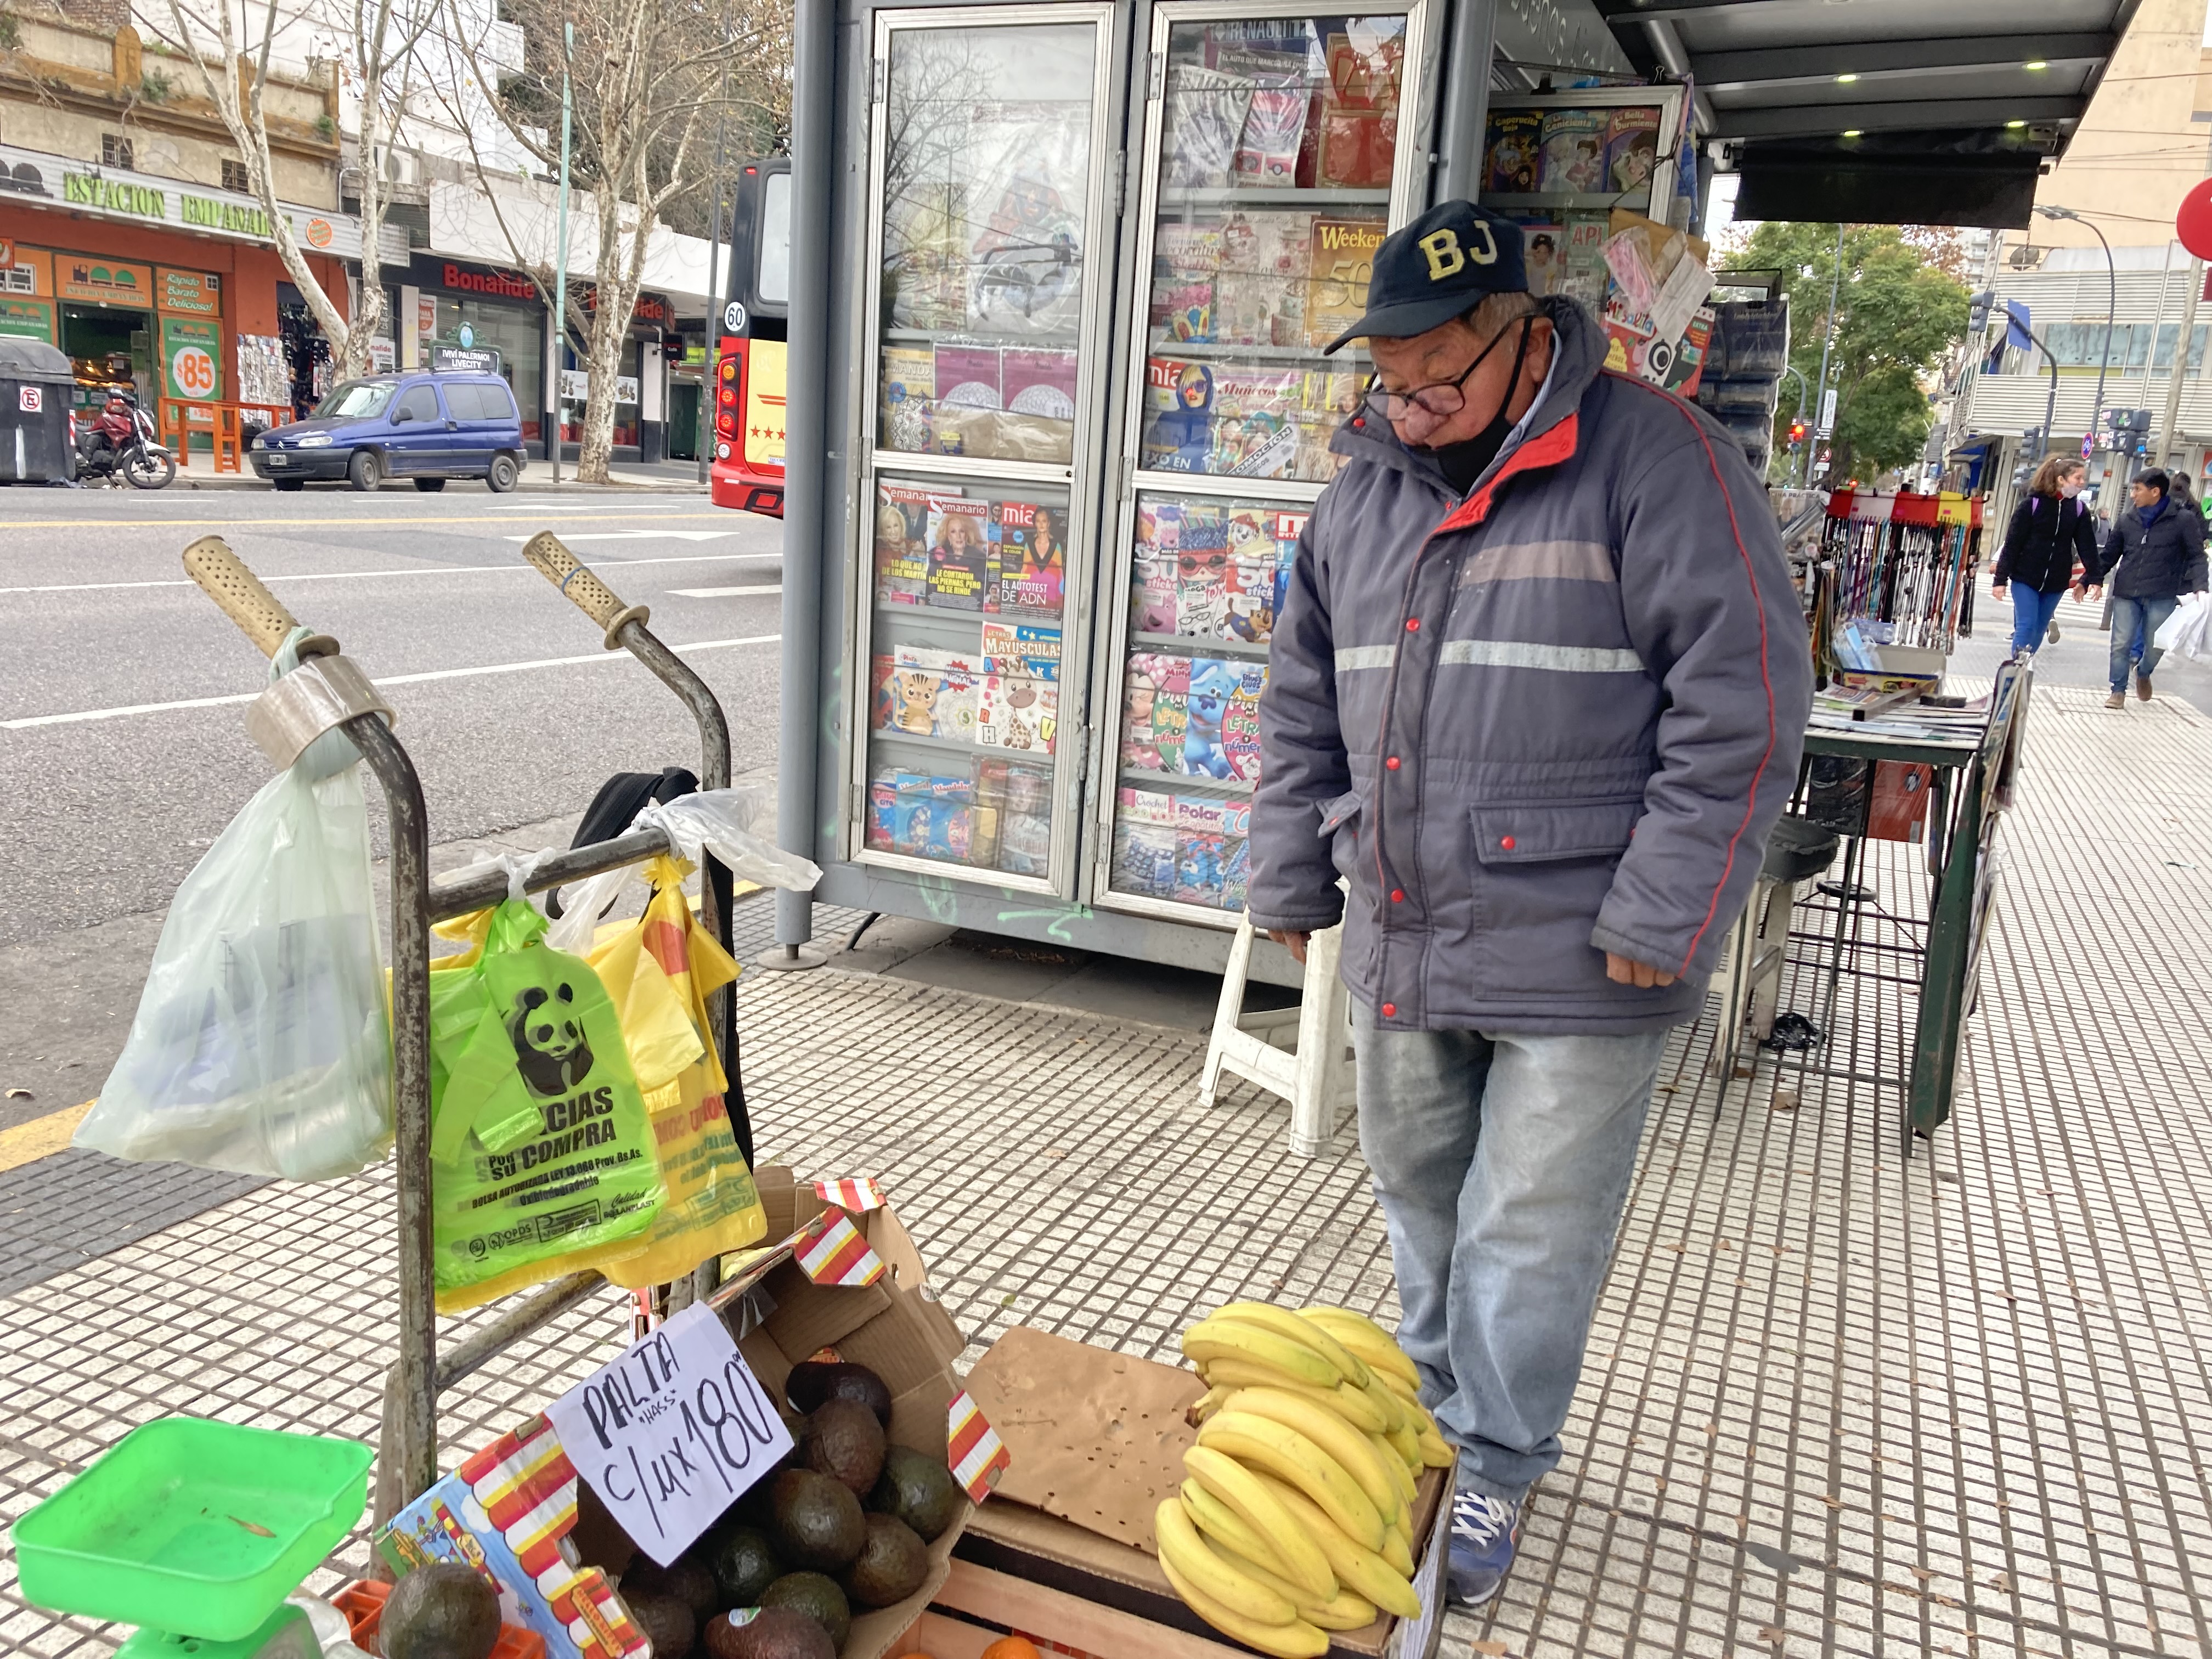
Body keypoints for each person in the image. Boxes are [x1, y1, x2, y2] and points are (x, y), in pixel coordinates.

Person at [1248, 201, 1812, 1609]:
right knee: (1419, 1197)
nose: (1414, 404)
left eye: (1440, 375)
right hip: (1403, 921)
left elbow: (1743, 707)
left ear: (1520, 334)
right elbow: (1300, 702)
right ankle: (1432, 1417)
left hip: (1587, 948)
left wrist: (1662, 917)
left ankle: (1492, 1462)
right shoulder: (1360, 493)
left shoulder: (1661, 460)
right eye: (1390, 378)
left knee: (1530, 1226)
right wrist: (1286, 875)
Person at [2084, 466, 2208, 707]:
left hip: (2163, 592)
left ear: (2155, 492)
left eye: (2137, 490)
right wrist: (2091, 579)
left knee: (2157, 644)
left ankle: (2143, 672)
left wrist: (2200, 586)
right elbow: (2110, 555)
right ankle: (2118, 690)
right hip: (2127, 591)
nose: (2133, 495)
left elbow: (2197, 556)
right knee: (2120, 643)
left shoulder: (2183, 520)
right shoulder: (2126, 519)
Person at [1991, 456, 2096, 657]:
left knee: (2039, 630)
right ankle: (2015, 671)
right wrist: (2000, 580)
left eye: (2084, 478)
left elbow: (2088, 547)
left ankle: (2024, 666)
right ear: (2061, 480)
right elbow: (2012, 544)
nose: (2082, 483)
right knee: (2027, 625)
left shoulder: (2079, 510)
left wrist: (2093, 579)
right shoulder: (2032, 505)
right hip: (2025, 578)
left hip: (2056, 582)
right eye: (2078, 478)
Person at [76, 393, 133, 473]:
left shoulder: (118, 417)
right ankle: (89, 459)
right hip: (80, 432)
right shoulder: (106, 417)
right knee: (96, 437)